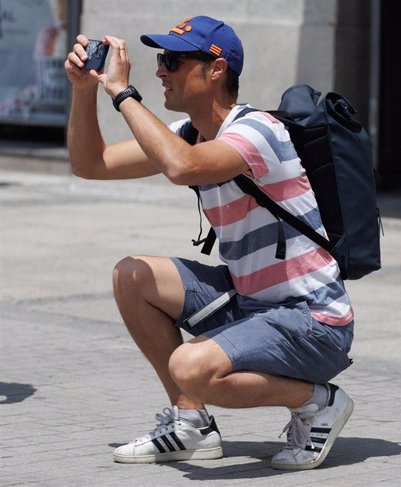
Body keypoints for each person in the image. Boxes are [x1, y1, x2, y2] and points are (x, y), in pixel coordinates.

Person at [63, 15, 355, 471]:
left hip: (313, 322)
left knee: (190, 368)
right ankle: (191, 425)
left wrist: (122, 93)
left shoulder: (257, 132)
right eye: (162, 59)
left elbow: (182, 167)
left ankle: (320, 401)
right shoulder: (191, 135)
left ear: (215, 69)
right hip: (250, 303)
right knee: (132, 275)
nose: (161, 70)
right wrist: (84, 91)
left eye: (174, 61)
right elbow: (91, 164)